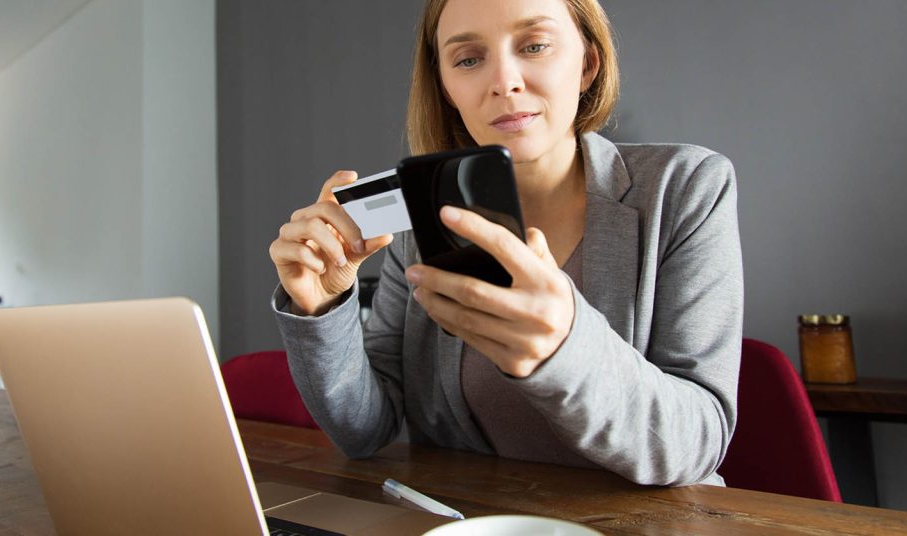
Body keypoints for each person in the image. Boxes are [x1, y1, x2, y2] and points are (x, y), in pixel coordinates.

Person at [269, 0, 743, 487]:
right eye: (469, 59)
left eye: (534, 46)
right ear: (446, 87)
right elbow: (365, 431)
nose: (504, 82)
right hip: (474, 516)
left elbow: (697, 442)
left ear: (588, 64)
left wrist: (564, 344)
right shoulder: (421, 216)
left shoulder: (685, 186)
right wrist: (322, 308)